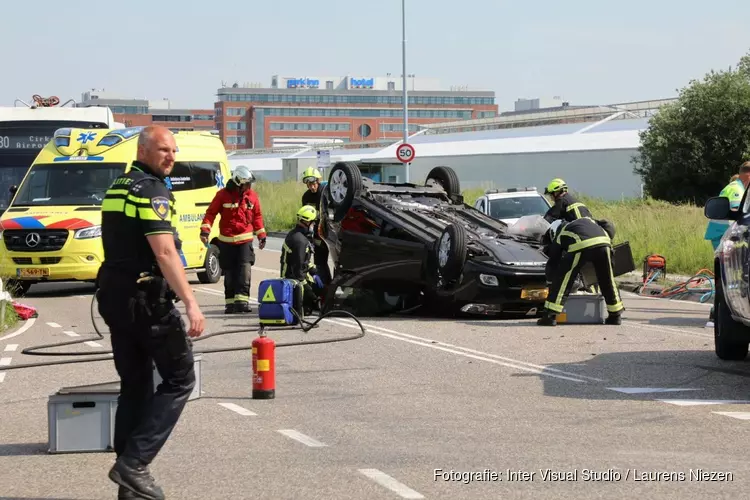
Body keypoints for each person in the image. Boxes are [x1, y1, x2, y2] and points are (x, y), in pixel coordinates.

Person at [97, 125, 205, 500]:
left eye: (174, 151)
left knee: (136, 385)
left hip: (115, 296)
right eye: (163, 150)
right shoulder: (152, 190)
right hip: (145, 300)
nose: (171, 157)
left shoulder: (117, 186)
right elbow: (164, 252)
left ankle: (129, 487)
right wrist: (191, 302)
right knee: (179, 378)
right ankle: (134, 464)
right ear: (144, 150)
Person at [200, 165, 267, 314]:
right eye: (246, 184)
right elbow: (211, 213)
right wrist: (205, 230)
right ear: (238, 182)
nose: (249, 186)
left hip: (245, 241)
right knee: (229, 273)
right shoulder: (222, 195)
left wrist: (261, 235)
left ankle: (242, 303)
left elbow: (257, 216)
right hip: (227, 241)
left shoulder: (252, 196)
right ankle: (230, 304)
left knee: (244, 272)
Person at [537, 217, 624, 326]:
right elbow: (608, 226)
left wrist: (550, 281)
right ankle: (615, 316)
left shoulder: (561, 234)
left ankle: (549, 316)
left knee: (563, 280)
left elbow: (553, 262)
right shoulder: (587, 221)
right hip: (604, 243)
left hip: (580, 244)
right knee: (607, 279)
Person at [703, 161, 750, 327]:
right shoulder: (737, 190)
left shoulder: (738, 187)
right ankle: (718, 312)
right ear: (748, 175)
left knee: (731, 273)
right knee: (728, 274)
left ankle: (720, 311)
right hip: (722, 234)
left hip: (725, 234)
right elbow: (738, 217)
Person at [281, 205, 325, 314]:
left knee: (320, 281)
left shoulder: (298, 235)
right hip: (293, 279)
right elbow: (298, 272)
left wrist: (314, 272)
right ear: (307, 222)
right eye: (313, 223)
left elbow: (303, 261)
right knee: (312, 300)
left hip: (295, 274)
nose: (314, 225)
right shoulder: (300, 241)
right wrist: (312, 296)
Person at [300, 167, 332, 285]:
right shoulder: (306, 197)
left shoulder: (326, 193)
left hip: (332, 234)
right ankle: (326, 287)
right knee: (319, 263)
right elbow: (305, 218)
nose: (311, 187)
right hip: (318, 236)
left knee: (339, 263)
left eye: (313, 183)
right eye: (309, 184)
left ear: (318, 181)